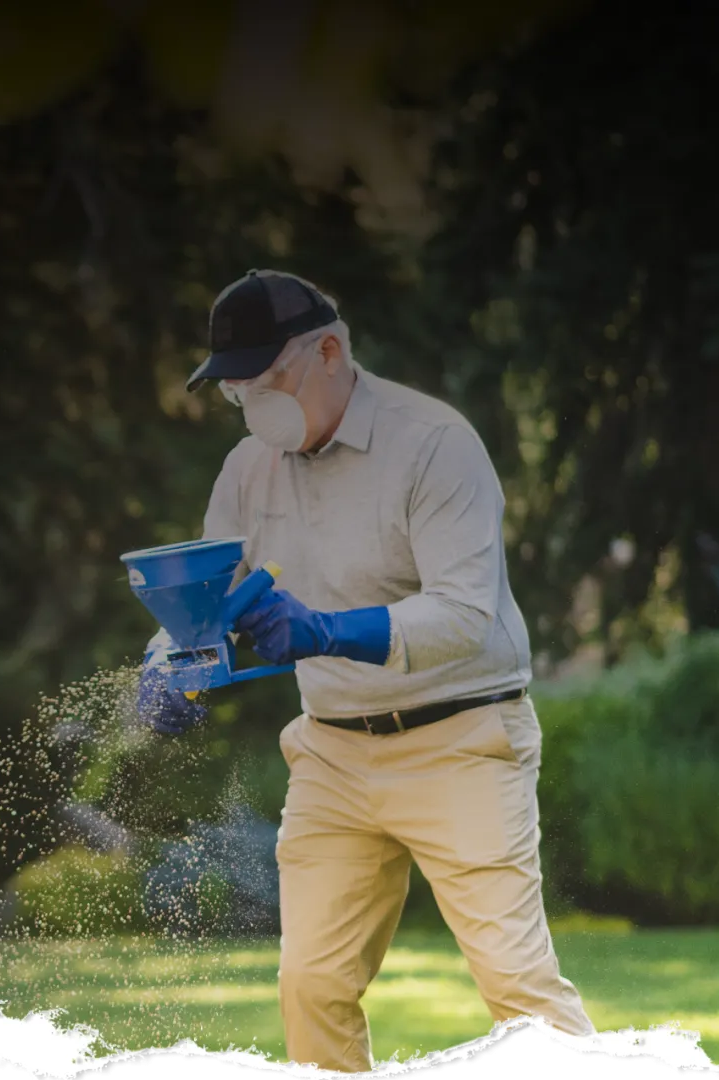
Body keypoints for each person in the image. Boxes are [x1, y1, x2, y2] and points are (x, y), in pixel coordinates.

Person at [136, 269, 597, 1073]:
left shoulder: (434, 443)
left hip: (460, 740)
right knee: (310, 985)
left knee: (518, 989)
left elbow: (466, 615)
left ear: (329, 351)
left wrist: (325, 630)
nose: (253, 403)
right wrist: (167, 664)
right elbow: (201, 610)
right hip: (333, 756)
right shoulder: (248, 470)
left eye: (267, 379)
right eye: (237, 389)